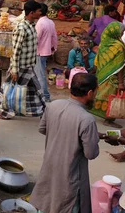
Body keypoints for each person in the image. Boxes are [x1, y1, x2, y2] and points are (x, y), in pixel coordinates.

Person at [29, 73, 100, 213]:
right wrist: (92, 138)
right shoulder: (87, 119)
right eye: (96, 92)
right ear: (90, 93)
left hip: (49, 170)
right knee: (65, 205)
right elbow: (91, 153)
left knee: (47, 203)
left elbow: (43, 129)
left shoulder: (52, 106)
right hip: (71, 179)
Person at [0, 0, 45, 119]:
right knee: (11, 91)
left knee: (34, 89)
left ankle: (37, 109)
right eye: (38, 11)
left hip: (29, 65)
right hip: (20, 66)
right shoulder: (21, 28)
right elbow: (15, 51)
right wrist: (15, 70)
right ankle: (2, 110)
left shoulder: (31, 26)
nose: (40, 13)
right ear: (32, 13)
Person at [90, 21, 125, 128]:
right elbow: (119, 66)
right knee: (112, 97)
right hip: (113, 77)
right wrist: (120, 82)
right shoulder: (119, 46)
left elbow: (97, 61)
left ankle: (103, 115)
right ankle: (109, 120)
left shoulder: (103, 44)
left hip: (102, 74)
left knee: (103, 95)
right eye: (121, 30)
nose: (123, 32)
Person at [35, 3, 57, 102]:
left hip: (40, 51)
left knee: (40, 75)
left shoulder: (40, 23)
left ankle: (45, 96)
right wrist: (53, 48)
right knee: (40, 73)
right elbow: (54, 37)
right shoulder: (50, 22)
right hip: (46, 50)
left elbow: (36, 39)